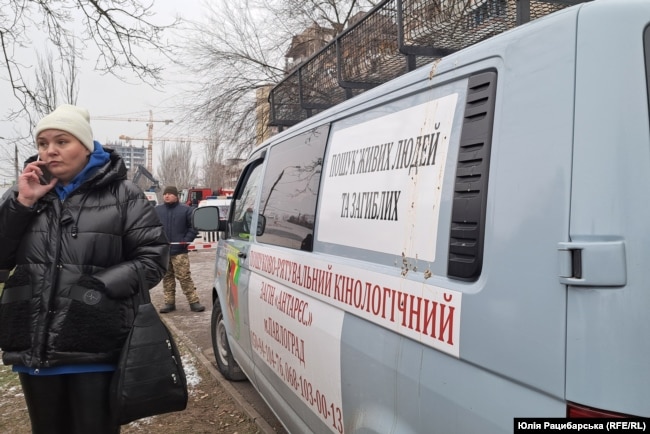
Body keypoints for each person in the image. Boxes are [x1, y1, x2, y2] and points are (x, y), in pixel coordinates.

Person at [0, 104, 169, 434]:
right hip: (35, 346)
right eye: (43, 143)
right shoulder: (22, 195)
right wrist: (22, 204)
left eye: (62, 141)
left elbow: (152, 259)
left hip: (95, 343)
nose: (50, 151)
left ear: (87, 145)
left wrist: (98, 289)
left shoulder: (124, 195)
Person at [155, 186, 205, 313]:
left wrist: (185, 241)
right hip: (164, 251)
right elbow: (152, 227)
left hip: (179, 251)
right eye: (165, 194)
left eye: (170, 194)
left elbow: (193, 227)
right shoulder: (157, 210)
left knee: (184, 277)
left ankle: (194, 302)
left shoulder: (186, 210)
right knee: (167, 277)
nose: (166, 196)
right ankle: (169, 303)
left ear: (176, 196)